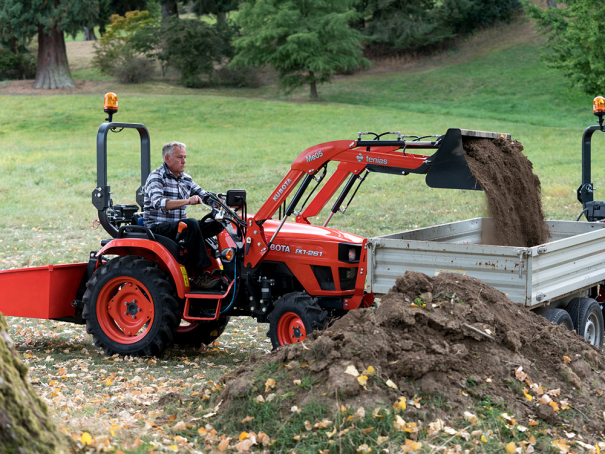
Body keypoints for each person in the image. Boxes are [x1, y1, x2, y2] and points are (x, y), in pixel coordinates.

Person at [143, 141, 222, 289]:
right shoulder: (156, 177)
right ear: (167, 158)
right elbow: (160, 203)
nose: (184, 161)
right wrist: (187, 201)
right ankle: (200, 275)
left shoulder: (186, 179)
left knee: (216, 224)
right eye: (180, 157)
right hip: (157, 228)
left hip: (178, 227)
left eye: (185, 157)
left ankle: (224, 267)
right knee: (191, 224)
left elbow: (204, 196)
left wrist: (222, 203)